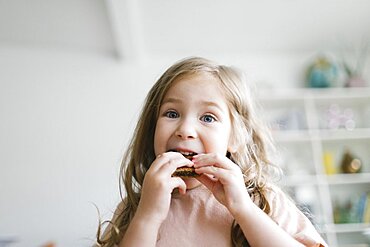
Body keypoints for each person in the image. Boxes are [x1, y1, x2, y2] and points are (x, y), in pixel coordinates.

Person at [95, 57, 327, 247]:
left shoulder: (263, 201)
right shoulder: (134, 208)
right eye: (172, 113)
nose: (185, 130)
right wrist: (147, 216)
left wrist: (244, 209)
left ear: (235, 137)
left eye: (208, 117)